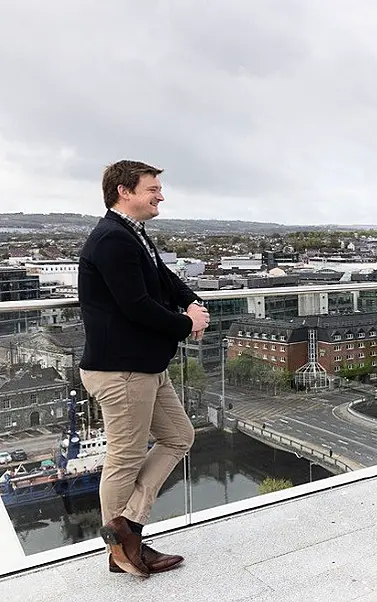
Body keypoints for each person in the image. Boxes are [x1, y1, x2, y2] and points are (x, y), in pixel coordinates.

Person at [78, 160, 210, 577]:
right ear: (124, 191)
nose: (160, 195)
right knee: (125, 457)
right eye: (152, 189)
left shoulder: (130, 234)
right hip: (122, 371)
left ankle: (127, 527)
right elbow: (135, 306)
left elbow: (164, 278)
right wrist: (187, 324)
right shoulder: (112, 240)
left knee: (179, 436)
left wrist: (190, 301)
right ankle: (122, 553)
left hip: (144, 366)